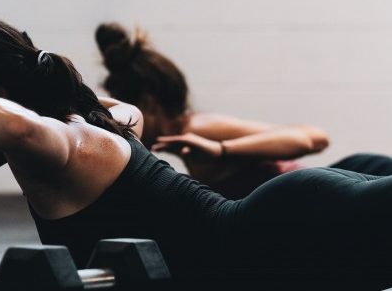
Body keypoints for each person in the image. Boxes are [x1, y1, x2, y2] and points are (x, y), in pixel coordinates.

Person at [0, 18, 392, 291]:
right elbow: (32, 114)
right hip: (292, 233)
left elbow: (16, 124)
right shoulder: (104, 120)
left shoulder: (58, 145)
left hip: (290, 233)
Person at [95, 23, 392, 199]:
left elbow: (313, 138)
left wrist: (221, 150)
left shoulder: (199, 129)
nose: (122, 125)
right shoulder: (191, 142)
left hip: (355, 181)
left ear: (148, 104)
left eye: (124, 113)